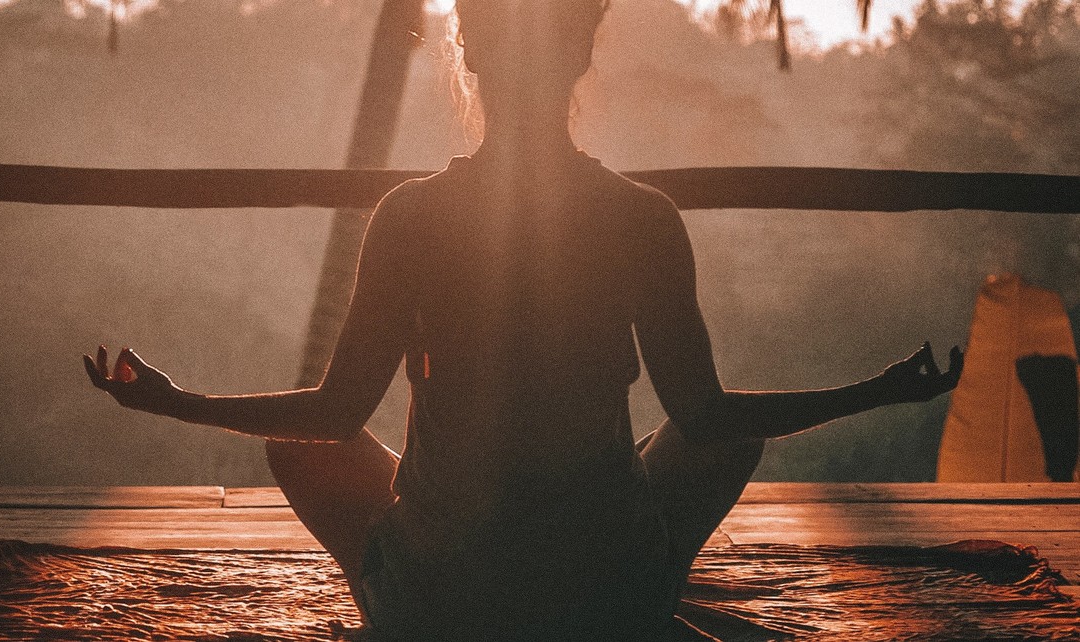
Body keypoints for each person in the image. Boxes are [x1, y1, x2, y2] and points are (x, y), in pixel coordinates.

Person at [85, 1, 964, 639]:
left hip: (444, 599)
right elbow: (707, 417)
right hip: (601, 594)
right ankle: (645, 595)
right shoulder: (641, 217)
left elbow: (333, 416)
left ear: (469, 52)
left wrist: (178, 401)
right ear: (582, 51)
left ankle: (399, 609)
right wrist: (877, 391)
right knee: (726, 435)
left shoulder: (411, 216)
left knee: (301, 446)